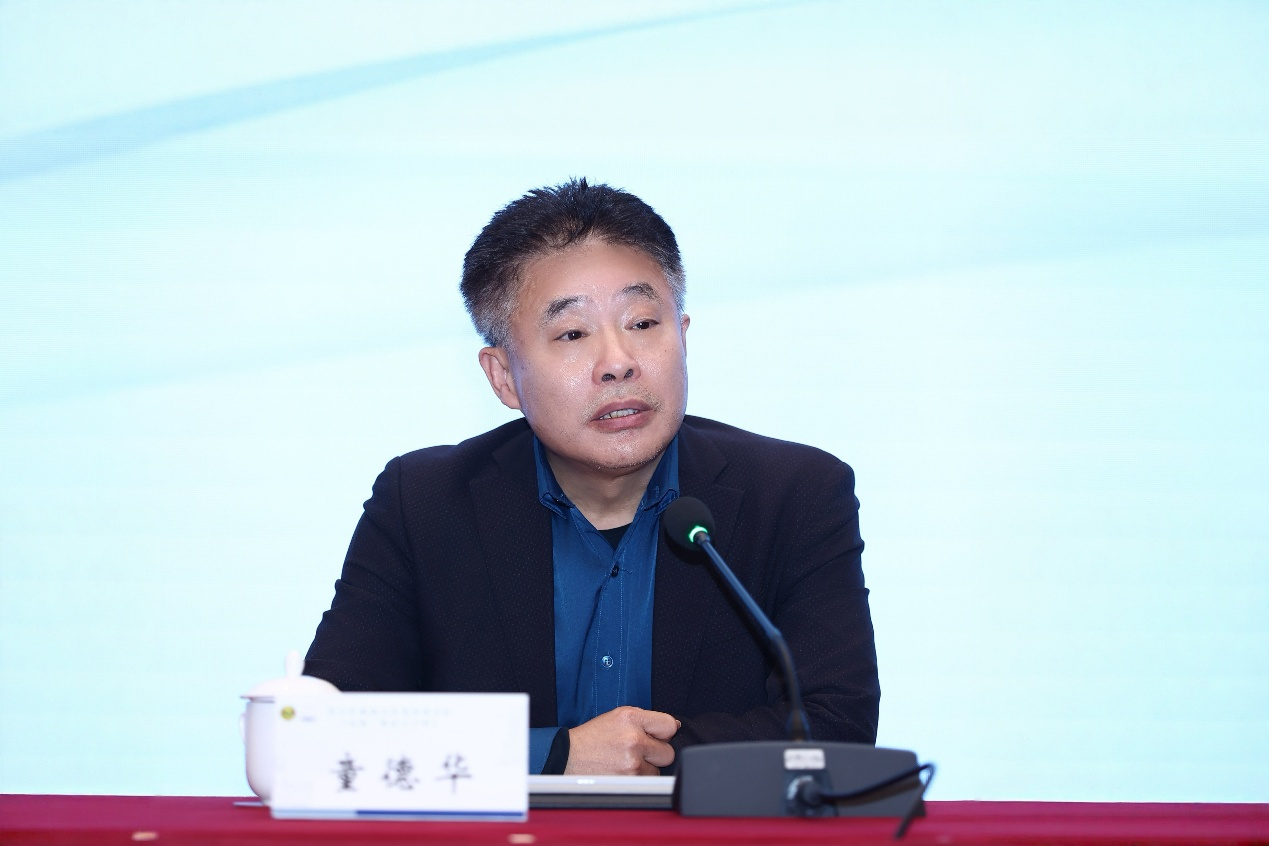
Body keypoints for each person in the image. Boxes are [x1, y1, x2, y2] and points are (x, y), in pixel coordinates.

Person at [304, 178, 879, 776]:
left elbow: (837, 725)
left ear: (682, 336)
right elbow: (327, 731)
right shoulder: (424, 503)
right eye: (573, 334)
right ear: (503, 377)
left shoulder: (795, 494)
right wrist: (558, 753)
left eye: (643, 323)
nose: (618, 363)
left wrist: (648, 755)